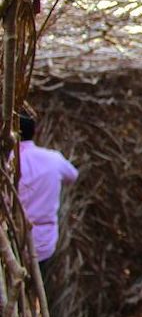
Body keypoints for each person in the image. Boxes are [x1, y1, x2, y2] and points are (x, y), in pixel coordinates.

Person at [17, 114, 78, 276]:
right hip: (44, 241)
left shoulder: (8, 161)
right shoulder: (53, 159)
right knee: (37, 285)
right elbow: (72, 175)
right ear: (34, 132)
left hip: (14, 238)